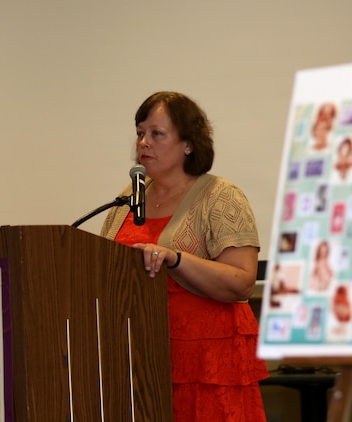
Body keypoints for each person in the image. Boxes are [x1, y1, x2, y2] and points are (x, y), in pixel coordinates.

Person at [100, 91, 268, 421]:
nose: (143, 143)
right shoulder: (130, 197)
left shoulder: (220, 196)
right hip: (139, 363)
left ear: (188, 144)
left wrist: (175, 258)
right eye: (139, 133)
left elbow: (242, 283)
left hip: (205, 364)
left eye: (156, 134)